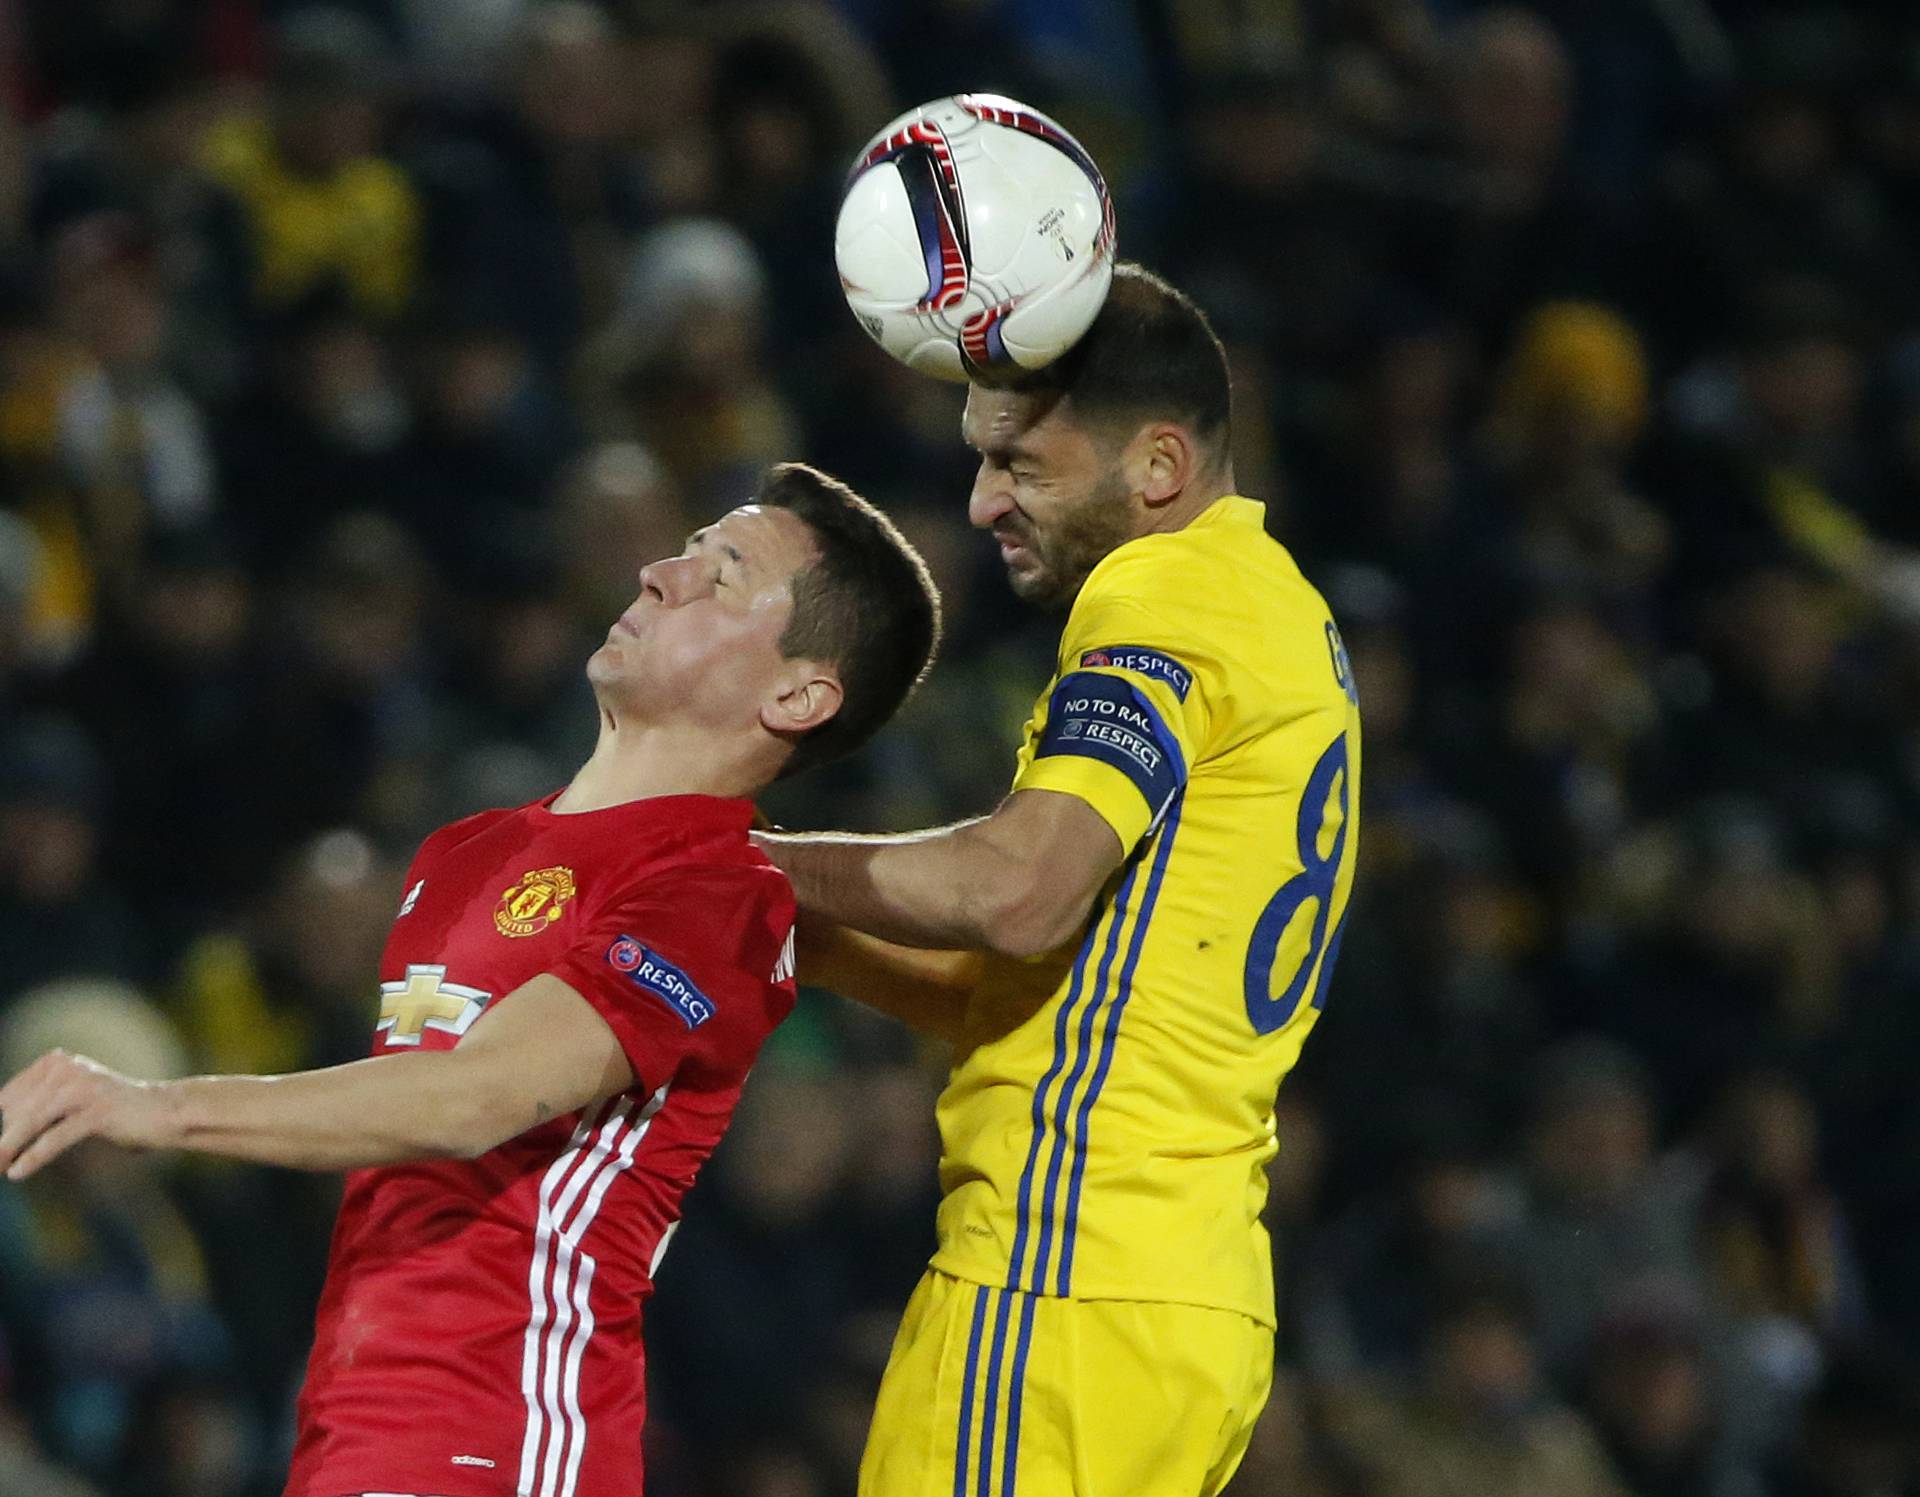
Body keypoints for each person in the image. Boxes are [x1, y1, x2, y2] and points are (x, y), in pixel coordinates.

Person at [0, 461, 941, 1497]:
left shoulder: (716, 890)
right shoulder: (464, 851)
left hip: (503, 1435)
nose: (658, 573)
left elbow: (469, 1102)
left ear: (797, 692)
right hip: (352, 1432)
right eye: (684, 548)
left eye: (719, 577)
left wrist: (153, 1108)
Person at [759, 264, 1363, 1496]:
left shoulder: (1163, 592)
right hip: (1183, 1305)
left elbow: (1021, 890)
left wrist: (734, 855)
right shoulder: (1283, 615)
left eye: (1021, 465)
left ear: (1155, 468)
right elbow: (1051, 981)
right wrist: (789, 916)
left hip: (1058, 1283)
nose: (982, 503)